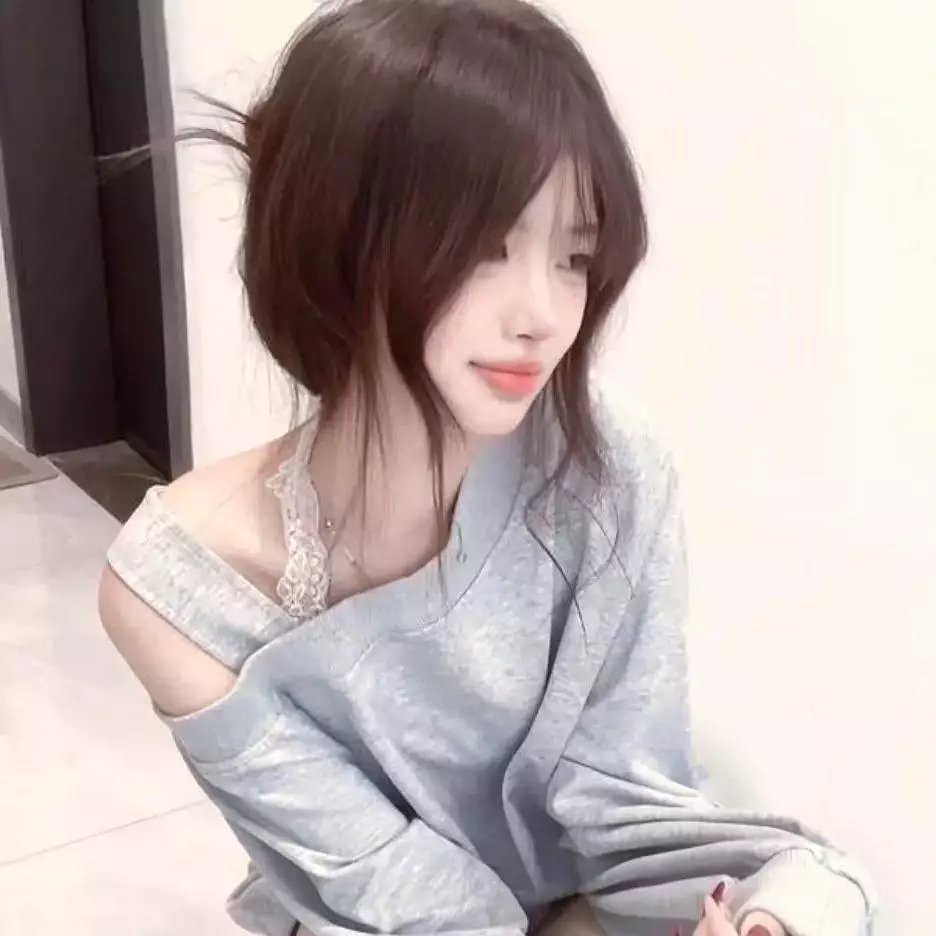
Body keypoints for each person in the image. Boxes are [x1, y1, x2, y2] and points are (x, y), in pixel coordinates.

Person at [98, 1, 874, 934]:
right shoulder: (177, 591)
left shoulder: (604, 461)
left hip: (582, 900)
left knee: (815, 893)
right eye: (485, 247)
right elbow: (389, 892)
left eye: (575, 256)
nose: (543, 314)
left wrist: (770, 918)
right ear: (336, 234)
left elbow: (626, 802)